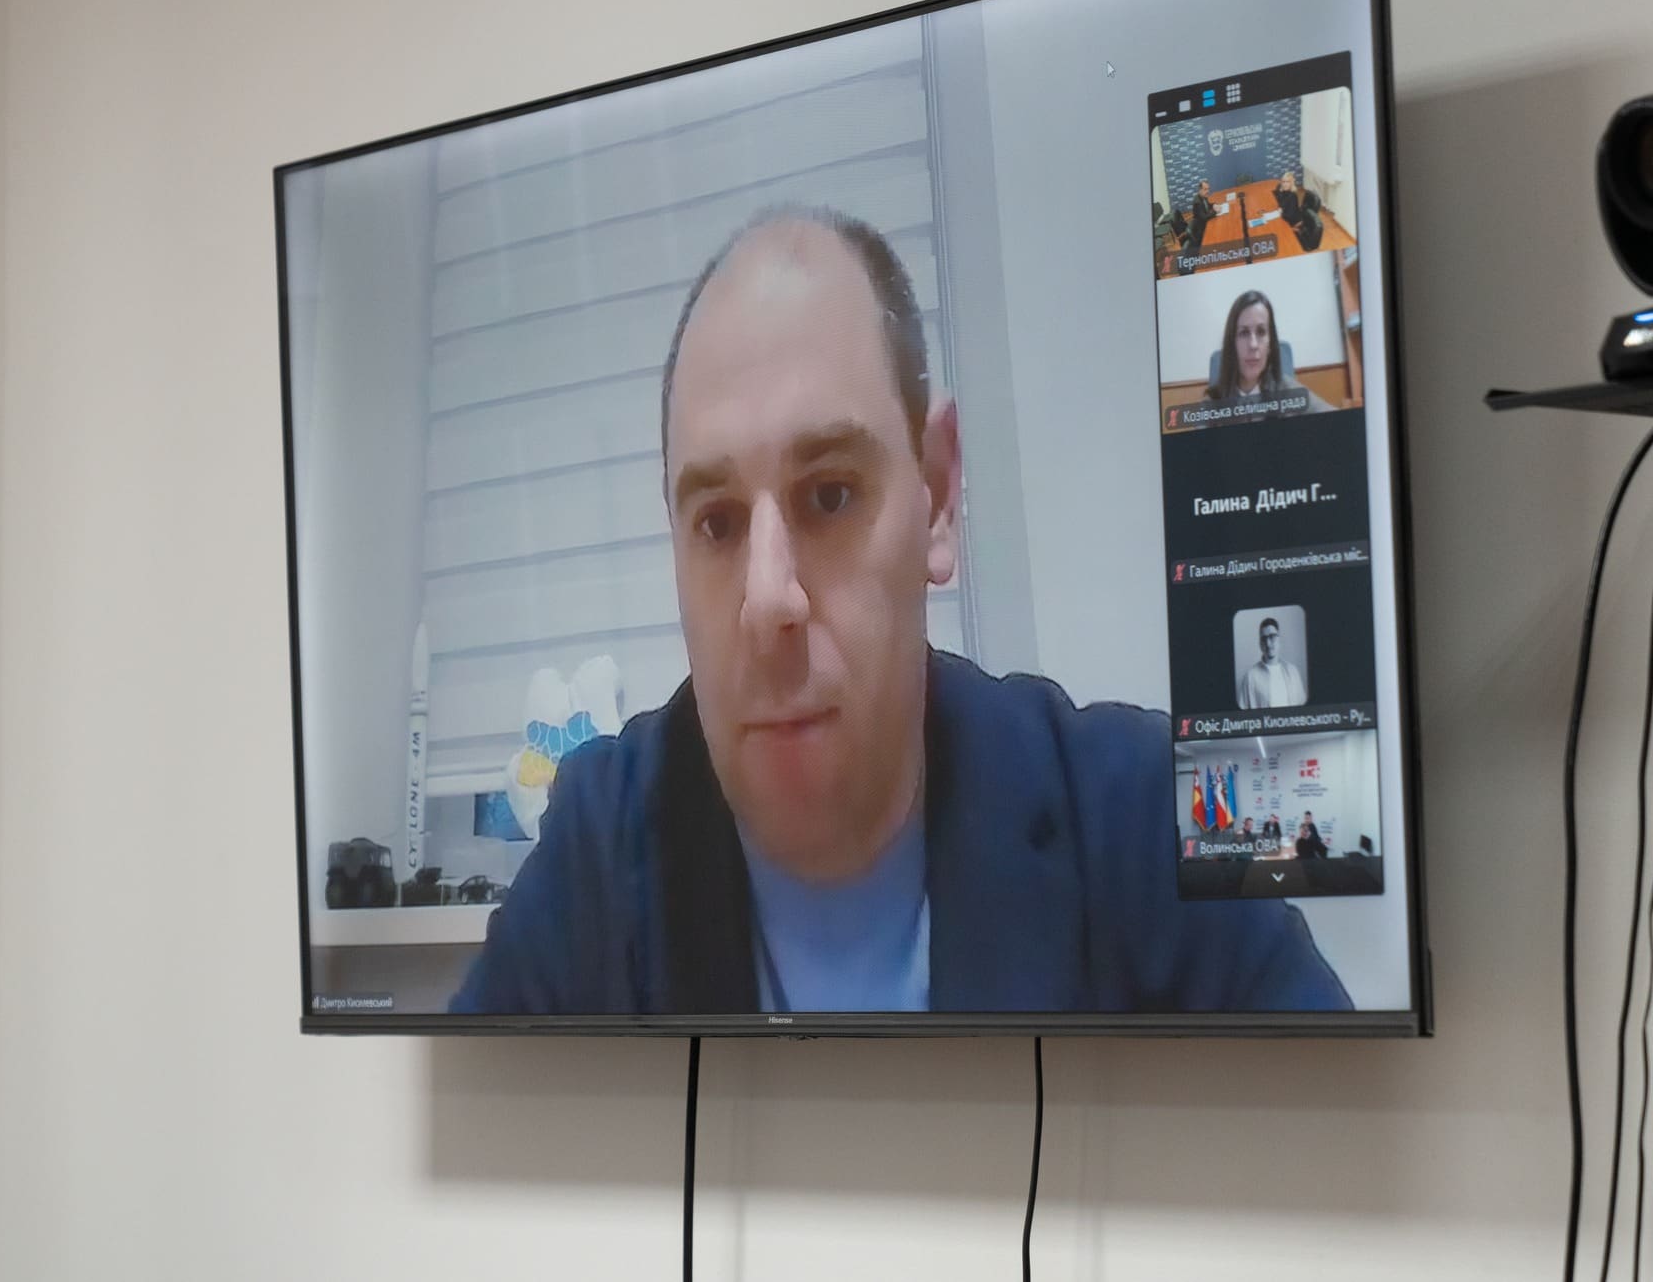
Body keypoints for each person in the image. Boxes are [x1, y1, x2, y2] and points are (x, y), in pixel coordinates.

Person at [450, 206, 1349, 1016]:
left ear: (938, 494)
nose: (768, 600)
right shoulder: (597, 851)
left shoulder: (1143, 821)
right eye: (717, 522)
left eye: (829, 495)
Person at [1202, 290, 1332, 415]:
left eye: (1261, 332)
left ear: (1270, 344)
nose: (1253, 345)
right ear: (1232, 344)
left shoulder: (1289, 391)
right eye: (1244, 333)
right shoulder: (1212, 403)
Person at [1237, 615, 1309, 709]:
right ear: (1260, 643)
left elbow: (1303, 707)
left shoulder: (1293, 671)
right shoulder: (1250, 677)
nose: (1268, 643)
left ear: (1279, 639)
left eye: (1272, 636)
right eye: (1264, 639)